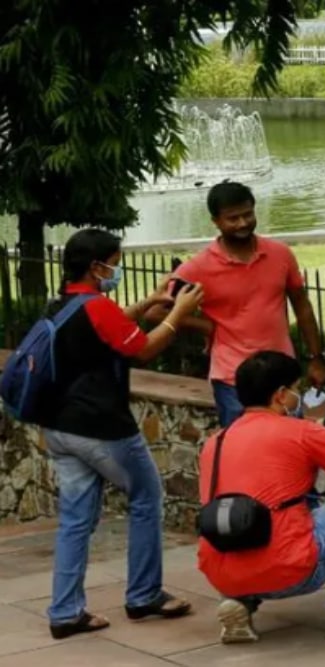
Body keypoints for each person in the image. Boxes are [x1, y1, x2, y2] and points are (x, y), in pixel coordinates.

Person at [36, 229, 205, 638]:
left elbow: (106, 330)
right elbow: (142, 348)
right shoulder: (98, 308)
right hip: (102, 428)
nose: (118, 266)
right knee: (146, 496)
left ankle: (65, 611)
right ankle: (144, 594)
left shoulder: (63, 303)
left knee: (76, 520)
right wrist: (177, 314)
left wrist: (149, 302)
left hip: (60, 427)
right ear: (97, 267)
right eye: (115, 259)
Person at [198, 351, 325, 644]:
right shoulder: (302, 433)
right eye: (296, 389)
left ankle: (241, 602)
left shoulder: (216, 441)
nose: (298, 396)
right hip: (291, 572)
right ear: (280, 395)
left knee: (275, 509)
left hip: (222, 574)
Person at [147, 181, 325, 427]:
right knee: (242, 449)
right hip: (233, 378)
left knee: (290, 448)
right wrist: (207, 327)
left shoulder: (280, 254)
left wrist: (316, 357)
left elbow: (302, 305)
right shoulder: (198, 268)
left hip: (283, 374)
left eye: (247, 214)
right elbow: (156, 312)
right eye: (233, 218)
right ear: (216, 222)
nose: (242, 223)